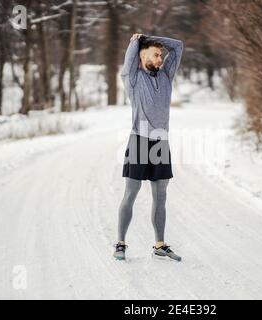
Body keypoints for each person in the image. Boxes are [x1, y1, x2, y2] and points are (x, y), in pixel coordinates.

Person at [113, 33, 183, 261]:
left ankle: (159, 245)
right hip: (139, 142)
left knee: (160, 196)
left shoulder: (166, 76)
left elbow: (178, 46)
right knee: (131, 194)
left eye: (161, 54)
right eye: (156, 54)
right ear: (143, 56)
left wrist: (151, 38)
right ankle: (121, 243)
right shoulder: (132, 78)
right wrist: (137, 41)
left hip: (161, 141)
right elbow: (129, 57)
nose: (161, 57)